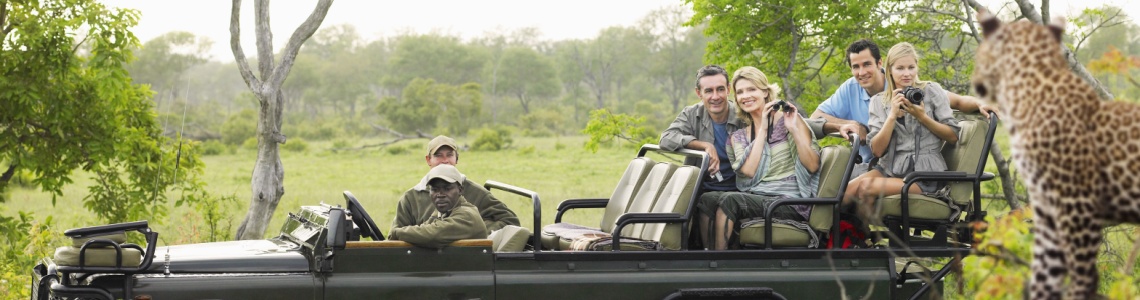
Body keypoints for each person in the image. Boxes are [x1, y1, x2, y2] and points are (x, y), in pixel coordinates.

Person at [811, 39, 994, 167]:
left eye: (867, 64)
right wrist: (851, 125)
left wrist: (980, 103)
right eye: (856, 67)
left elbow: (959, 102)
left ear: (880, 64)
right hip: (872, 160)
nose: (862, 72)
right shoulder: (850, 88)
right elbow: (816, 118)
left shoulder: (905, 85)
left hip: (903, 164)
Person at [707, 66, 821, 250]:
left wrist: (793, 130)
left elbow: (813, 165)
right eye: (740, 92)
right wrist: (763, 130)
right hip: (758, 197)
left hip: (788, 202)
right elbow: (749, 171)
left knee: (731, 200)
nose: (746, 96)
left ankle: (717, 262)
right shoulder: (738, 137)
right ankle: (705, 255)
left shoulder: (790, 120)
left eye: (752, 89)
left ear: (765, 92)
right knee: (707, 199)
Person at [842, 42, 960, 219]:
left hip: (923, 174)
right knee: (845, 192)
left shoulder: (931, 91)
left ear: (916, 67)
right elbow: (877, 150)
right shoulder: (879, 101)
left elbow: (953, 136)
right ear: (889, 70)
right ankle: (844, 239)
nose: (907, 73)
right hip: (890, 167)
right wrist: (891, 116)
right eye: (900, 68)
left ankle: (864, 239)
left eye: (911, 67)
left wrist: (922, 117)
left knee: (866, 186)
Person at [659, 64, 743, 248]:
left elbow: (778, 122)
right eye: (709, 91)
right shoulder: (691, 114)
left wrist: (822, 127)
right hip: (701, 188)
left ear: (728, 89)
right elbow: (666, 138)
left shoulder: (743, 113)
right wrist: (703, 145)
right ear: (699, 93)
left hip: (740, 188)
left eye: (720, 89)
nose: (715, 96)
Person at [391, 135, 519, 232]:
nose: (445, 161)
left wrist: (467, 232)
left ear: (456, 158)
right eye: (438, 156)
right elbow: (395, 236)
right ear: (428, 160)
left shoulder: (475, 192)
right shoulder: (411, 197)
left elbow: (510, 221)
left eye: (449, 155)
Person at [390, 164, 489, 248]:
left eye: (447, 189)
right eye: (435, 189)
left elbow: (432, 234)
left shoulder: (467, 215)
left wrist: (396, 232)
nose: (440, 194)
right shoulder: (443, 212)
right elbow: (424, 229)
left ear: (460, 190)